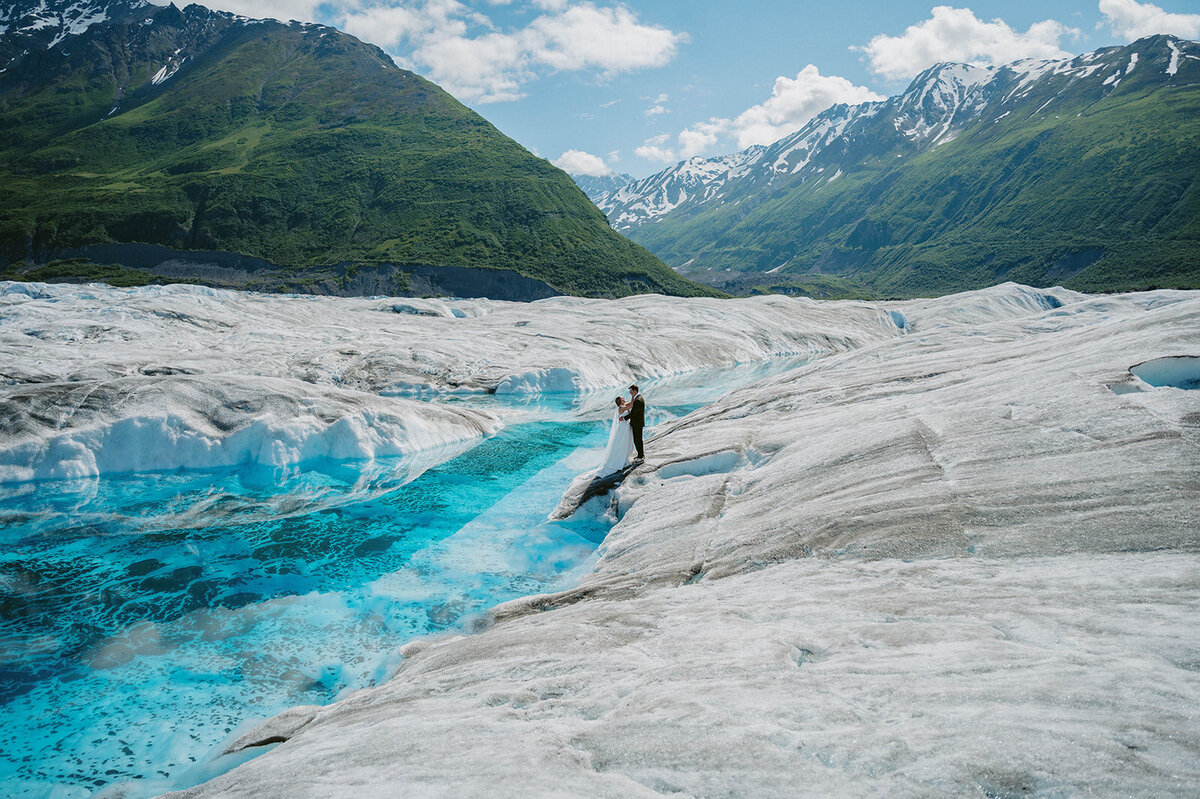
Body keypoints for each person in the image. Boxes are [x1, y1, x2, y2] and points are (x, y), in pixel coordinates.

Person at [596, 395, 635, 476]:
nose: (624, 398)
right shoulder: (621, 408)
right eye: (622, 398)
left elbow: (631, 403)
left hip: (626, 427)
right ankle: (620, 460)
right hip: (623, 428)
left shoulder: (623, 406)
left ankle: (624, 458)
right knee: (622, 444)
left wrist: (633, 396)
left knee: (626, 443)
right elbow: (631, 405)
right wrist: (633, 395)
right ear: (620, 401)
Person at [622, 384, 646, 462]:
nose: (630, 393)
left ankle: (641, 456)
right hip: (637, 423)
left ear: (635, 391)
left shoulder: (638, 400)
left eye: (631, 392)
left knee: (638, 440)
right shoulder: (637, 398)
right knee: (637, 439)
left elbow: (634, 413)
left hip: (637, 423)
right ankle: (640, 455)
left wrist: (624, 418)